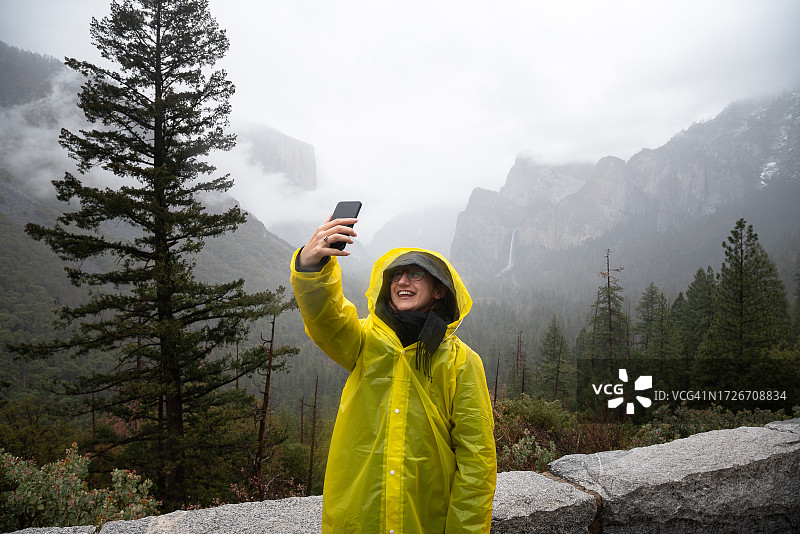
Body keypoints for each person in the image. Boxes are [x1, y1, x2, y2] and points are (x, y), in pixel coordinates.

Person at [290, 214, 497, 534]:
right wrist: (310, 267)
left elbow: (477, 464)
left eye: (416, 274)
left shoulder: (461, 363)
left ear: (439, 290)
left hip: (426, 521)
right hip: (359, 520)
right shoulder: (364, 343)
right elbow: (326, 318)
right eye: (396, 275)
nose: (403, 281)